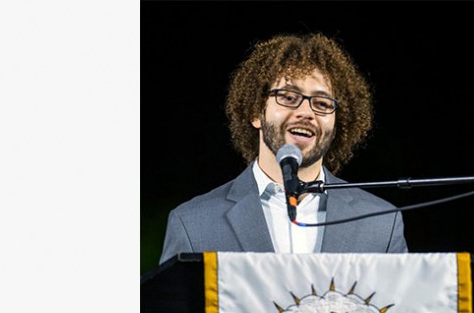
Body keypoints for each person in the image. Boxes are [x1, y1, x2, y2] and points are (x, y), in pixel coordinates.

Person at [159, 33, 408, 265]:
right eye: (288, 98)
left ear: (337, 125)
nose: (306, 112)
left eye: (322, 103)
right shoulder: (193, 224)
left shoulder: (381, 223)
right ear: (256, 112)